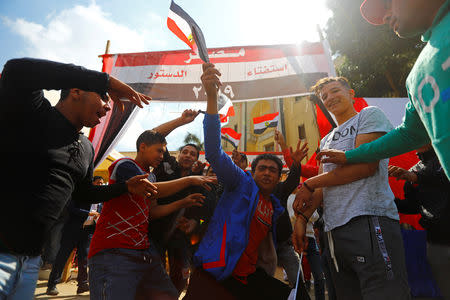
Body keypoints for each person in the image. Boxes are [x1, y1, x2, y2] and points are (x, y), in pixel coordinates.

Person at [0, 57, 156, 299]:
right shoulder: (31, 114)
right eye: (104, 97)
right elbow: (16, 70)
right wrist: (105, 80)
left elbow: (84, 194)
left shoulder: (86, 148)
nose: (108, 106)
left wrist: (126, 187)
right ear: (75, 90)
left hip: (30, 260)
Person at [183, 63, 310, 300]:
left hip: (249, 278)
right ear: (252, 172)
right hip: (215, 271)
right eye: (261, 168)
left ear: (278, 176)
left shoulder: (274, 204)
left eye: (273, 170)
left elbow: (293, 180)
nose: (267, 173)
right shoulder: (240, 183)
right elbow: (213, 151)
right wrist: (212, 98)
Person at [292, 76, 411, 300]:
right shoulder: (326, 139)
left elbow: (365, 167)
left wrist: (309, 183)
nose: (329, 98)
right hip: (333, 231)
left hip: (369, 217)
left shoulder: (369, 115)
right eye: (324, 96)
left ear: (351, 94)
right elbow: (321, 188)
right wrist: (301, 218)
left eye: (335, 91)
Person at [317, 0, 450, 180]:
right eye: (323, 96)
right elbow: (409, 134)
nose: (385, 17)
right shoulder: (414, 78)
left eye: (387, 3)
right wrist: (348, 156)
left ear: (351, 94)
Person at [88, 129, 215, 300]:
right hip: (114, 248)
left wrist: (183, 203)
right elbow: (150, 191)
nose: (162, 156)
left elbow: (153, 211)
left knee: (168, 294)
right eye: (159, 151)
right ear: (142, 147)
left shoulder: (153, 176)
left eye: (164, 152)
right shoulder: (125, 164)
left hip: (144, 249)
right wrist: (189, 180)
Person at [150, 110, 207, 294]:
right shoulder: (166, 164)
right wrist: (181, 121)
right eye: (185, 152)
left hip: (179, 238)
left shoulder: (197, 182)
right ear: (178, 154)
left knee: (180, 279)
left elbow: (201, 215)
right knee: (151, 278)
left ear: (196, 160)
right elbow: (153, 135)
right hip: (153, 233)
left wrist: (193, 223)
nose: (188, 155)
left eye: (193, 154)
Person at [389, 144, 450, 298]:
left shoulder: (445, 155)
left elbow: (441, 175)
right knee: (445, 288)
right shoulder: (412, 170)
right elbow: (413, 206)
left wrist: (415, 177)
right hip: (436, 240)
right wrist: (388, 200)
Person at [46, 176, 104, 296]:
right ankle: (52, 284)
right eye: (98, 183)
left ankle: (82, 284)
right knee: (62, 256)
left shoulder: (100, 198)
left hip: (88, 231)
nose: (100, 185)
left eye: (102, 184)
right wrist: (88, 213)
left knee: (84, 258)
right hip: (72, 230)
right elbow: (71, 208)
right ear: (92, 183)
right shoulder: (80, 194)